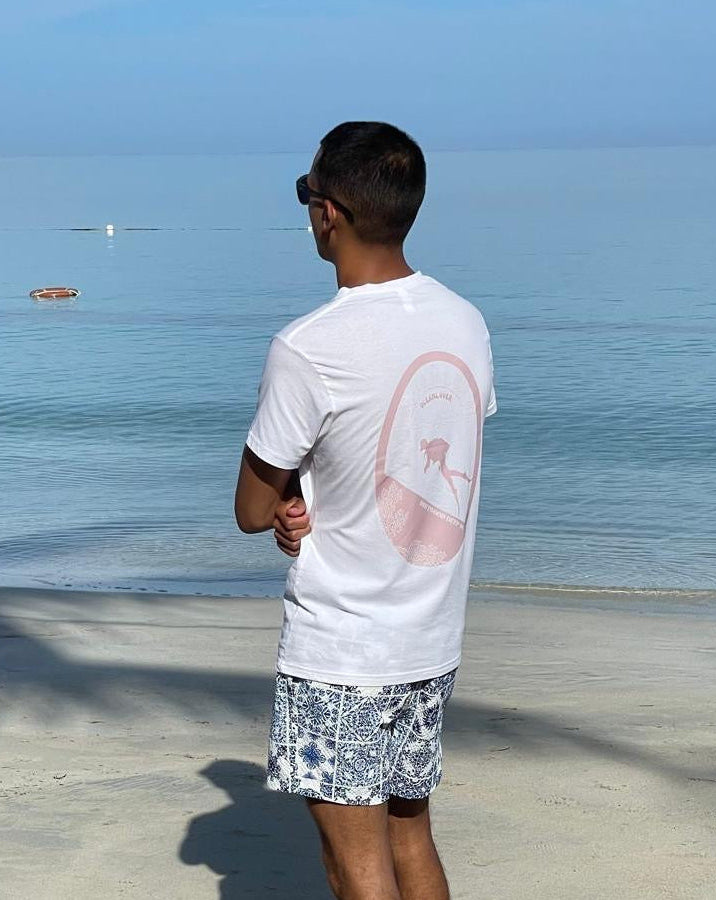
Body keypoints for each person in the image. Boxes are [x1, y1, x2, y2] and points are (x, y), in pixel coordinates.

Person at [234, 121, 497, 900]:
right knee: (410, 838)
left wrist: (284, 500)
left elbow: (250, 507)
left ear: (330, 212)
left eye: (306, 192)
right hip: (430, 637)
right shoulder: (465, 322)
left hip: (344, 650)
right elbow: (412, 453)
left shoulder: (310, 346)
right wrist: (303, 503)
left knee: (355, 869)